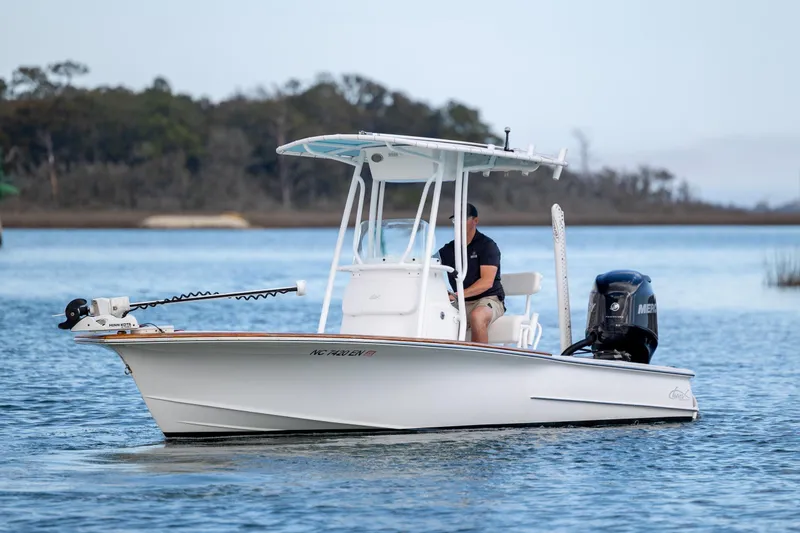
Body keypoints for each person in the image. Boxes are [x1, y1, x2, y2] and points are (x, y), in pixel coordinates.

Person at [437, 203, 505, 344]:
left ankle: (480, 361)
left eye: (463, 219)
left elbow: (486, 282)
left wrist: (456, 295)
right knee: (432, 313)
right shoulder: (448, 250)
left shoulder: (487, 246)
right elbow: (426, 263)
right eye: (456, 220)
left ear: (475, 221)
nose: (458, 224)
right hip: (460, 302)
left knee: (477, 316)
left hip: (488, 299)